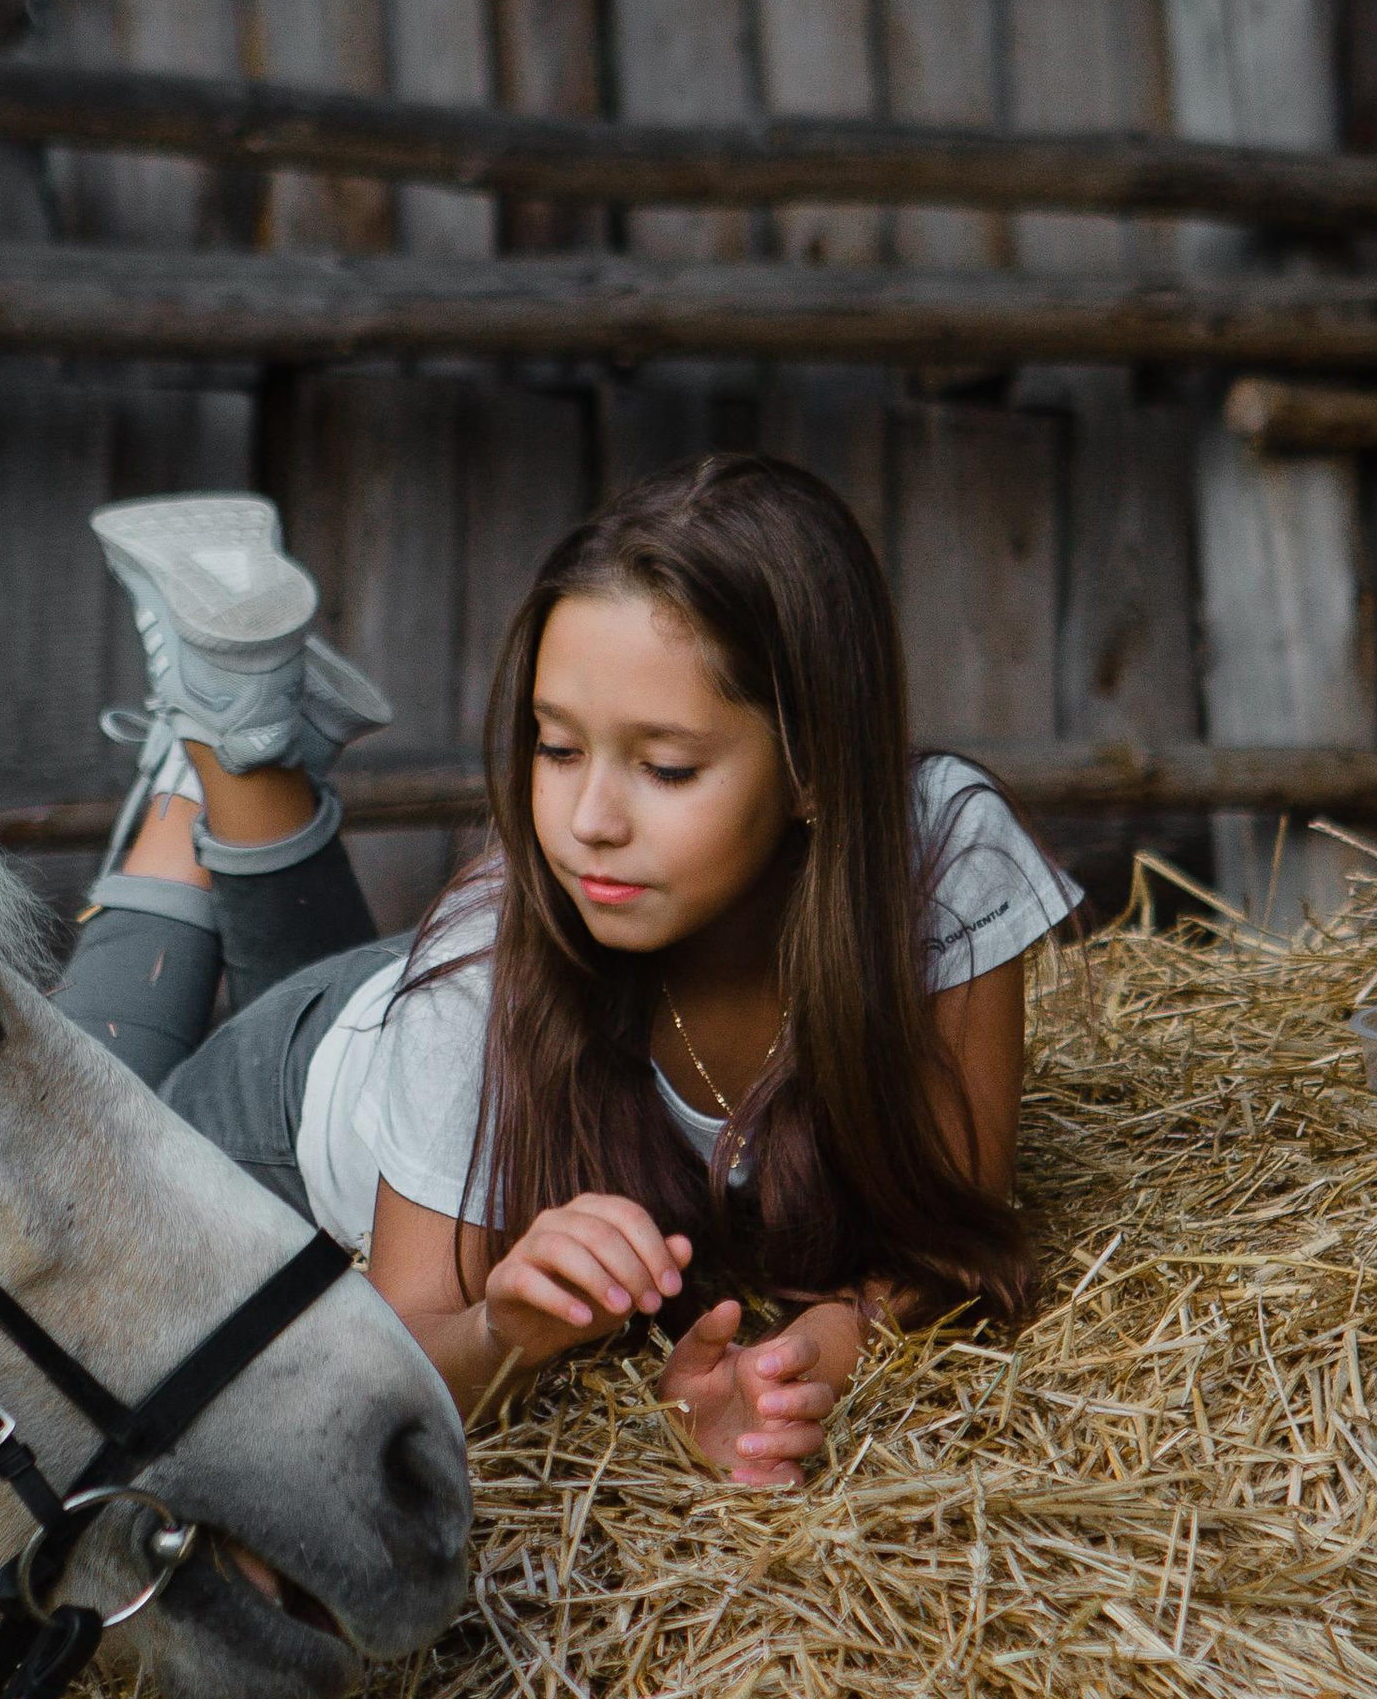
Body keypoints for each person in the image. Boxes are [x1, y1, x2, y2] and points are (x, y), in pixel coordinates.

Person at [55, 456, 1078, 1488]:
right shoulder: (475, 986)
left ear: (817, 765)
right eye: (555, 748)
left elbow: (954, 1234)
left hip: (426, 1012)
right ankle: (211, 751)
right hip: (292, 1100)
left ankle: (241, 733)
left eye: (665, 767)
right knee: (63, 1148)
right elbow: (397, 1369)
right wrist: (503, 1329)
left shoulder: (941, 856)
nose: (588, 823)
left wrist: (799, 1359)